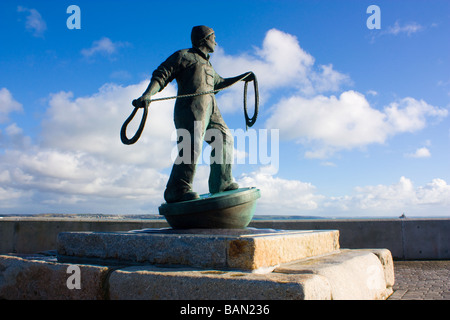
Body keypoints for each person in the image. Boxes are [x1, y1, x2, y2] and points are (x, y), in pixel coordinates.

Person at [133, 26, 255, 203]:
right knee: (192, 147)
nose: (216, 42)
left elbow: (220, 83)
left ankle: (221, 183)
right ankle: (177, 189)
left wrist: (243, 77)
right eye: (214, 38)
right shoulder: (184, 56)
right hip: (190, 109)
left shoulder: (208, 65)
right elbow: (162, 73)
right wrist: (148, 94)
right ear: (205, 39)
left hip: (211, 111)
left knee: (225, 138)